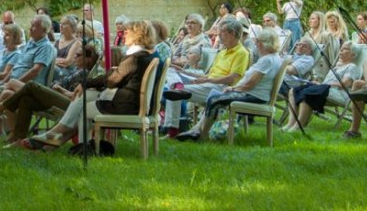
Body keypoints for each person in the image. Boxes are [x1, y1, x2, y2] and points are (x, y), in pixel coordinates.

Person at [24, 20, 155, 149]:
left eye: (126, 32)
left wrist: (87, 82)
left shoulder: (134, 58)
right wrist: (87, 83)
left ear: (138, 34)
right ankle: (60, 136)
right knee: (84, 94)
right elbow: (114, 78)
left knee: (83, 108)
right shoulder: (144, 56)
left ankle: (77, 142)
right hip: (129, 103)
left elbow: (112, 81)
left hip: (124, 105)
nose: (123, 34)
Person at [176, 27, 284, 141]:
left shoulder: (267, 60)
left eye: (257, 41)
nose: (256, 44)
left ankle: (201, 134)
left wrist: (234, 89)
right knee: (214, 96)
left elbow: (251, 84)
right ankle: (197, 130)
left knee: (215, 99)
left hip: (254, 96)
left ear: (263, 43)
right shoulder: (272, 58)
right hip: (254, 94)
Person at [160, 16, 250, 136]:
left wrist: (206, 80)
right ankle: (178, 84)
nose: (218, 36)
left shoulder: (242, 53)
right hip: (209, 82)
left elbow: (232, 79)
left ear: (232, 33)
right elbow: (208, 74)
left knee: (175, 93)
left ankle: (172, 131)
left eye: (221, 33)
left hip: (221, 87)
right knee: (171, 70)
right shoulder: (222, 51)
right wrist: (185, 72)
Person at [284, 40, 362, 132]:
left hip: (340, 94)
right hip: (325, 90)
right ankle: (290, 123)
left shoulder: (352, 67)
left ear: (353, 54)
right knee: (293, 91)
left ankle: (299, 125)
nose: (340, 51)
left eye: (345, 49)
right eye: (341, 49)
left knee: (308, 93)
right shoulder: (336, 67)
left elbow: (345, 84)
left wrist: (322, 85)